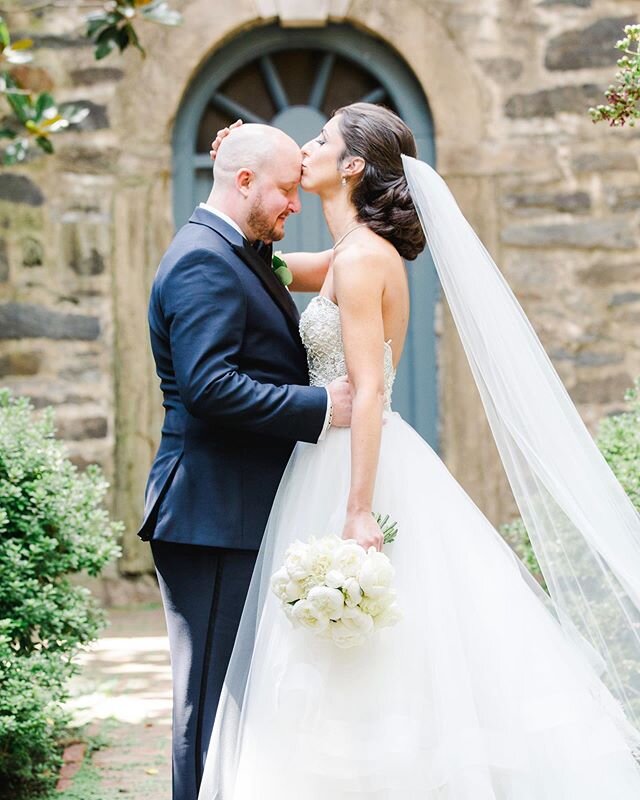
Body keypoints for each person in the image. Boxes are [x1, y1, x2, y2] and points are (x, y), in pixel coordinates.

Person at [200, 105, 640, 799]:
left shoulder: (367, 259)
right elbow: (267, 262)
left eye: (319, 141)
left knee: (373, 649)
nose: (305, 149)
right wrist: (233, 173)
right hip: (329, 456)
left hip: (353, 464)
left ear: (351, 167)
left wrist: (356, 508)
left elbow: (368, 391)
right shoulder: (349, 254)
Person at [138, 123, 353, 800]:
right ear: (243, 183)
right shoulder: (204, 258)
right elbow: (209, 386)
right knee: (207, 700)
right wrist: (320, 407)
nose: (294, 202)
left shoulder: (237, 249)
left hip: (230, 510)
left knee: (235, 697)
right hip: (208, 513)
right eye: (286, 189)